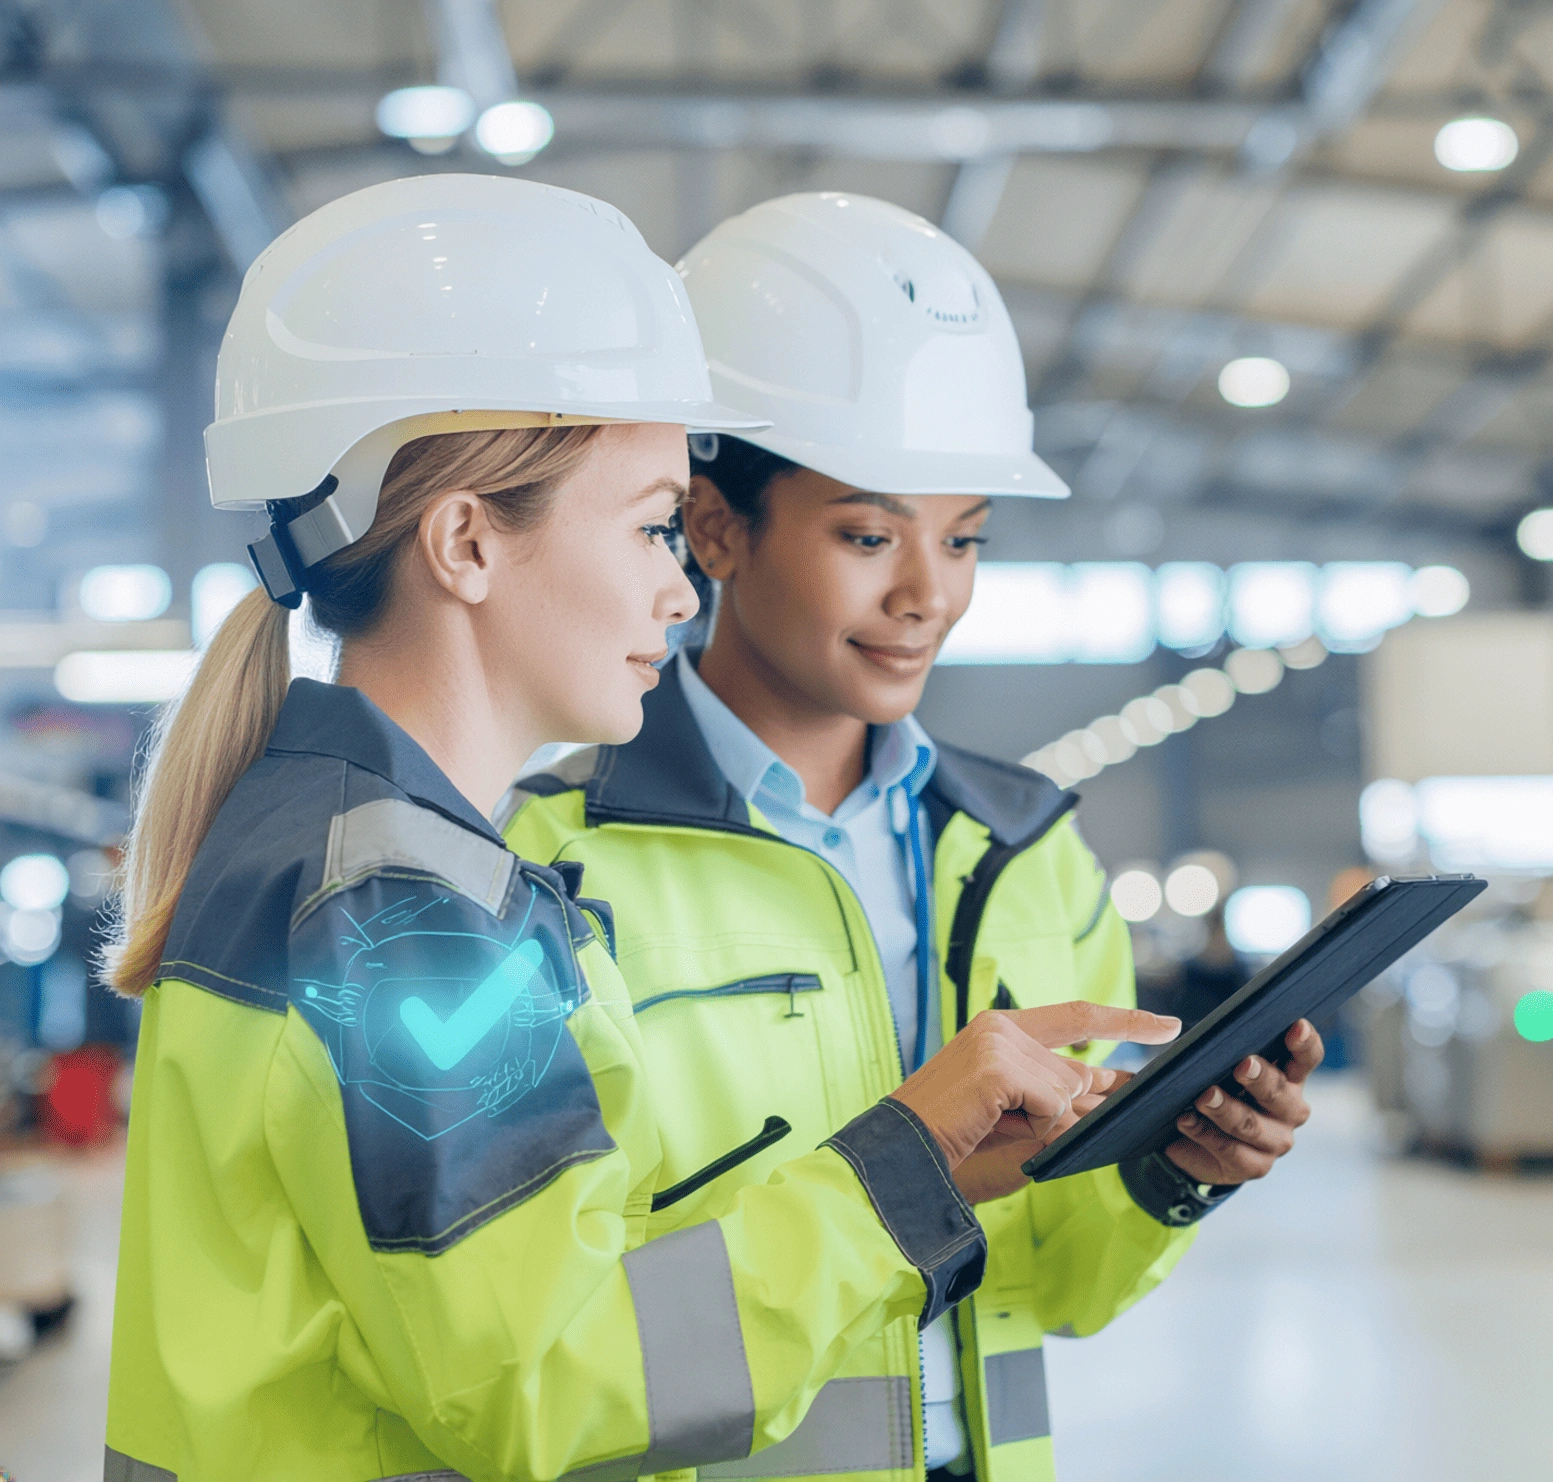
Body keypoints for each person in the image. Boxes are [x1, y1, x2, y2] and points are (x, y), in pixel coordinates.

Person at [101, 175, 1178, 1482]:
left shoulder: (346, 857)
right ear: (467, 543)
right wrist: (898, 1159)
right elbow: (553, 1376)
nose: (681, 583)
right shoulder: (410, 920)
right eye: (656, 520)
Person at [502, 193, 1324, 1482]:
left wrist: (1177, 1170)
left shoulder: (1026, 848)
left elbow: (1060, 1276)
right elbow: (539, 1314)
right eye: (868, 534)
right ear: (714, 528)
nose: (927, 595)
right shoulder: (552, 866)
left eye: (965, 540)